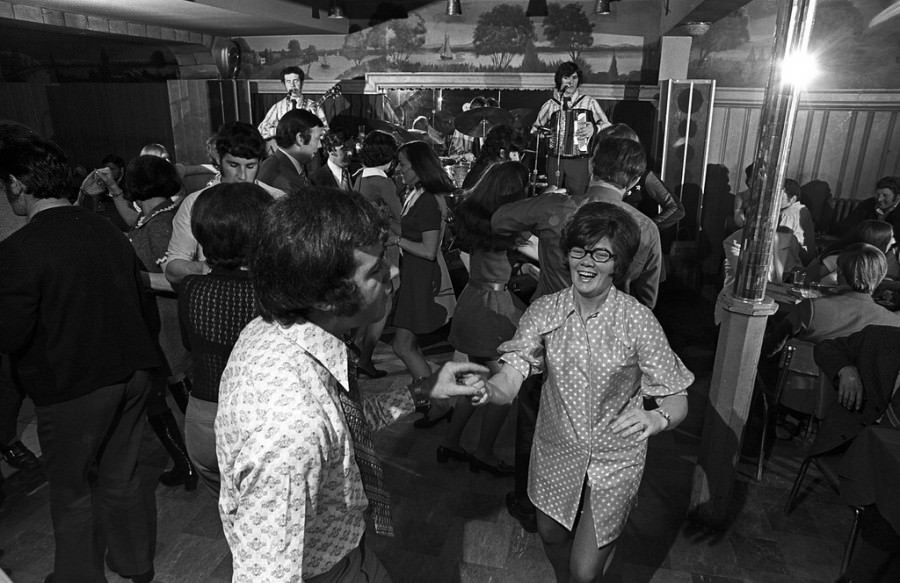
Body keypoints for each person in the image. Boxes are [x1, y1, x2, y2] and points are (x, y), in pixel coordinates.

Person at [215, 187, 487, 582]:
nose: (393, 273)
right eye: (376, 270)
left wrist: (424, 390)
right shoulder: (289, 428)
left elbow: (343, 425)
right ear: (326, 296)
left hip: (339, 546)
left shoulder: (286, 329)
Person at [474, 202, 693, 583]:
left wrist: (655, 418)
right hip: (557, 447)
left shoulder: (638, 320)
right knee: (550, 534)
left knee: (585, 568)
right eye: (579, 251)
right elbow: (514, 371)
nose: (587, 262)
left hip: (615, 458)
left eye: (601, 254)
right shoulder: (545, 311)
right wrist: (489, 389)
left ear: (618, 264)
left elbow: (677, 397)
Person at [0, 131, 159, 583]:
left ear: (16, 184)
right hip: (131, 372)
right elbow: (139, 295)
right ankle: (133, 564)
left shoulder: (18, 251)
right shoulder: (106, 229)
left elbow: (10, 334)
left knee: (70, 493)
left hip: (73, 387)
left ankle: (77, 577)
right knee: (121, 477)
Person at [492, 136, 660, 532]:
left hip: (550, 334)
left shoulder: (558, 206)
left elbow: (498, 220)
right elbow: (649, 299)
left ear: (591, 166)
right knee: (601, 425)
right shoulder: (646, 228)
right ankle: (587, 507)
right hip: (614, 341)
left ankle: (532, 503)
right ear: (634, 182)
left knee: (535, 419)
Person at [180, 182, 271, 494]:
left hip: (204, 420)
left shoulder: (192, 289)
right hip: (259, 422)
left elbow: (190, 346)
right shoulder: (275, 296)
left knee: (231, 515)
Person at [441, 161, 529, 476]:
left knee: (473, 379)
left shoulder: (477, 217)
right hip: (494, 307)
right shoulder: (508, 225)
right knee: (505, 388)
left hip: (473, 299)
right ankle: (484, 452)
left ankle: (450, 443)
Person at [123, 154, 196, 490]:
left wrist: (131, 276)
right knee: (171, 394)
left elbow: (173, 277)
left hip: (166, 320)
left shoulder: (160, 223)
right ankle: (188, 461)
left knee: (175, 393)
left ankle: (191, 462)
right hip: (165, 320)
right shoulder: (160, 215)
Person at [164, 121, 283, 286]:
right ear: (219, 160)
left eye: (250, 166)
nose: (242, 176)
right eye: (233, 165)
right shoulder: (195, 203)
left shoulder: (277, 200)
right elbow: (173, 269)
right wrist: (213, 269)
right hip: (216, 296)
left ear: (260, 163)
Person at [391, 141, 457, 406]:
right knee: (404, 344)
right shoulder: (416, 193)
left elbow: (428, 250)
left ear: (418, 167)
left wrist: (395, 240)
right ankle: (433, 400)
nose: (398, 170)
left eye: (403, 165)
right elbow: (412, 230)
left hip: (422, 278)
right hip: (414, 275)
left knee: (403, 345)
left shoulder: (428, 199)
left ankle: (435, 401)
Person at [352, 130, 402, 378]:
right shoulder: (383, 182)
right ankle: (365, 357)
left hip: (359, 246)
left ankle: (357, 351)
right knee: (383, 304)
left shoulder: (359, 177)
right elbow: (401, 216)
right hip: (380, 248)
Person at [532, 61, 611, 196]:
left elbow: (608, 126)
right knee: (552, 196)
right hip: (555, 157)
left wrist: (595, 128)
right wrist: (545, 134)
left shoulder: (588, 102)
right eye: (566, 77)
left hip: (579, 159)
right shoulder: (551, 105)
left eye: (574, 78)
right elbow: (535, 129)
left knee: (577, 197)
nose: (571, 82)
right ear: (559, 80)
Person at [600, 123, 685, 231]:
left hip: (635, 241)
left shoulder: (645, 176)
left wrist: (645, 229)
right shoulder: (601, 174)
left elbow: (676, 209)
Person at [804, 219, 897, 286]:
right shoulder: (839, 258)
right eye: (891, 237)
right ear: (878, 241)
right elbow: (807, 278)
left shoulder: (875, 260)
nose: (893, 241)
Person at [257, 108, 325, 194]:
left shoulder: (278, 164)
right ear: (300, 138)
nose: (320, 145)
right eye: (317, 139)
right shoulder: (285, 181)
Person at [256, 66, 328, 143]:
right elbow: (261, 130)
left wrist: (309, 132)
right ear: (284, 84)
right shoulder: (278, 107)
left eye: (295, 81)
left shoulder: (314, 106)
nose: (292, 85)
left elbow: (325, 132)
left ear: (302, 82)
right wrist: (281, 130)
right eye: (288, 81)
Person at [460, 124, 525, 190]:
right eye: (514, 154)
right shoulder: (497, 178)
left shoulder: (479, 169)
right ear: (502, 153)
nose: (517, 159)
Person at [834, 176, 900, 238]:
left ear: (897, 197)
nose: (879, 199)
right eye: (877, 194)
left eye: (885, 195)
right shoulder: (868, 204)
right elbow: (846, 227)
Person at [779, 178, 816, 264]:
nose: (776, 200)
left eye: (781, 197)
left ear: (793, 199)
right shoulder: (802, 209)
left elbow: (781, 243)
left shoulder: (788, 214)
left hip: (797, 260)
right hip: (809, 257)